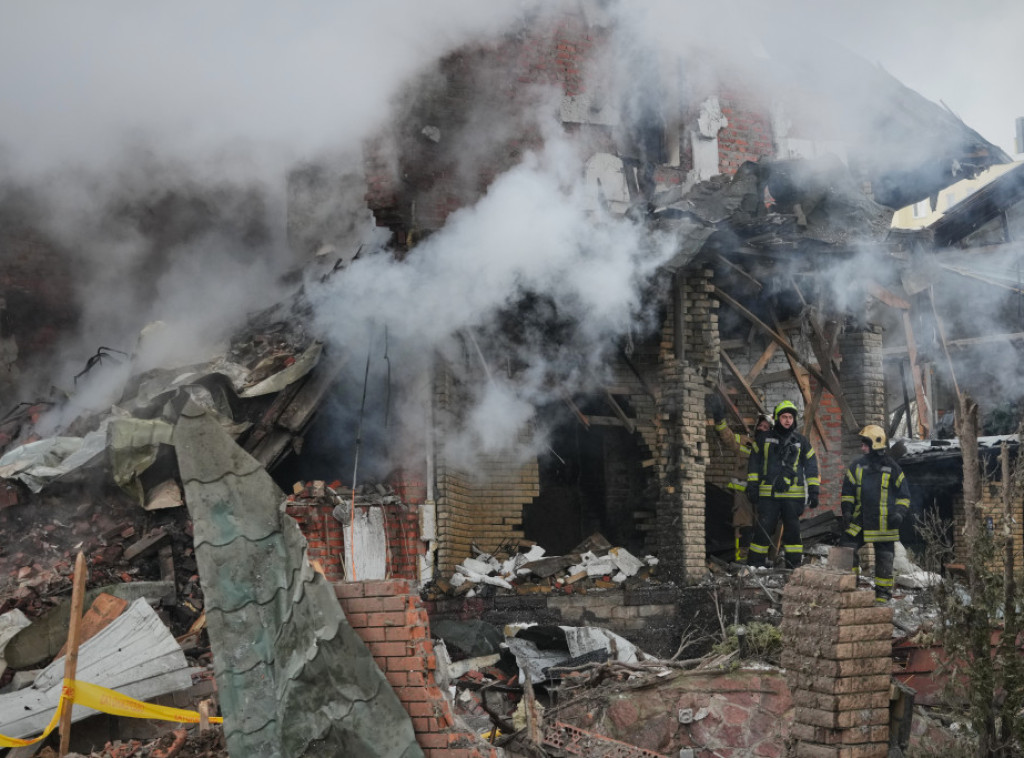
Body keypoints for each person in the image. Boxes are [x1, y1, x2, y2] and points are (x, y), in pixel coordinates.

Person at [840, 424, 911, 604]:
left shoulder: (892, 467)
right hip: (860, 520)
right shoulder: (856, 465)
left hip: (885, 523)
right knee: (847, 549)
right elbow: (847, 492)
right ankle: (850, 588)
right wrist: (847, 511)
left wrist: (900, 514)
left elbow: (904, 495)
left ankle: (882, 596)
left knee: (885, 560)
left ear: (876, 444)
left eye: (866, 444)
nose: (862, 448)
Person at [745, 400, 820, 569]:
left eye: (790, 417)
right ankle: (755, 565)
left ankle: (794, 566)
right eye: (784, 417)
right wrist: (752, 485)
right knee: (763, 530)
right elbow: (754, 464)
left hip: (793, 497)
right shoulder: (763, 439)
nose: (788, 420)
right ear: (778, 418)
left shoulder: (801, 441)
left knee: (793, 533)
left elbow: (811, 466)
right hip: (768, 496)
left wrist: (814, 490)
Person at [710, 397, 772, 561]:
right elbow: (727, 437)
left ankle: (759, 560)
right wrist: (719, 417)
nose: (762, 428)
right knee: (743, 528)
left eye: (766, 427)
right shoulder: (745, 442)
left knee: (762, 528)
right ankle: (742, 561)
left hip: (763, 496)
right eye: (760, 425)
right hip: (743, 496)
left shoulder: (773, 450)